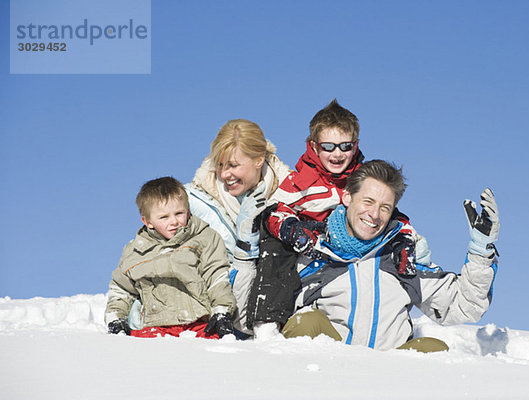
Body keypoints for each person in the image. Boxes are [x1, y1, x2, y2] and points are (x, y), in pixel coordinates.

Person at [245, 100, 432, 333]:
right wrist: (291, 228)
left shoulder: (364, 178)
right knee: (274, 246)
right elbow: (274, 212)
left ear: (355, 146)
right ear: (314, 146)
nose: (337, 154)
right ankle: (267, 321)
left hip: (353, 244)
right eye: (328, 146)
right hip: (311, 243)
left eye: (345, 146)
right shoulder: (300, 182)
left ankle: (389, 324)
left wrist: (404, 240)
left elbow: (391, 214)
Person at [281, 160, 500, 352]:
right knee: (306, 322)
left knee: (433, 349)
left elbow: (463, 306)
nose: (374, 215)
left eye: (385, 207)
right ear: (347, 196)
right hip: (327, 367)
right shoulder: (315, 250)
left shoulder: (401, 258)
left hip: (388, 373)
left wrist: (481, 251)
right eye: (367, 201)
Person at [184, 119, 291, 335]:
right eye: (220, 165)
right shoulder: (190, 202)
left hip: (274, 330)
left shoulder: (289, 199)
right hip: (209, 327)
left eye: (233, 165)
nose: (224, 174)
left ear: (259, 160)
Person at [104, 177, 236, 339]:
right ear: (148, 221)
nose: (174, 221)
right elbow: (121, 289)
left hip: (199, 324)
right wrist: (116, 317)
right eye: (164, 217)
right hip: (155, 326)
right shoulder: (136, 251)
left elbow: (216, 276)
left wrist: (222, 311)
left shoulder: (204, 238)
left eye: (179, 213)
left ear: (187, 211)